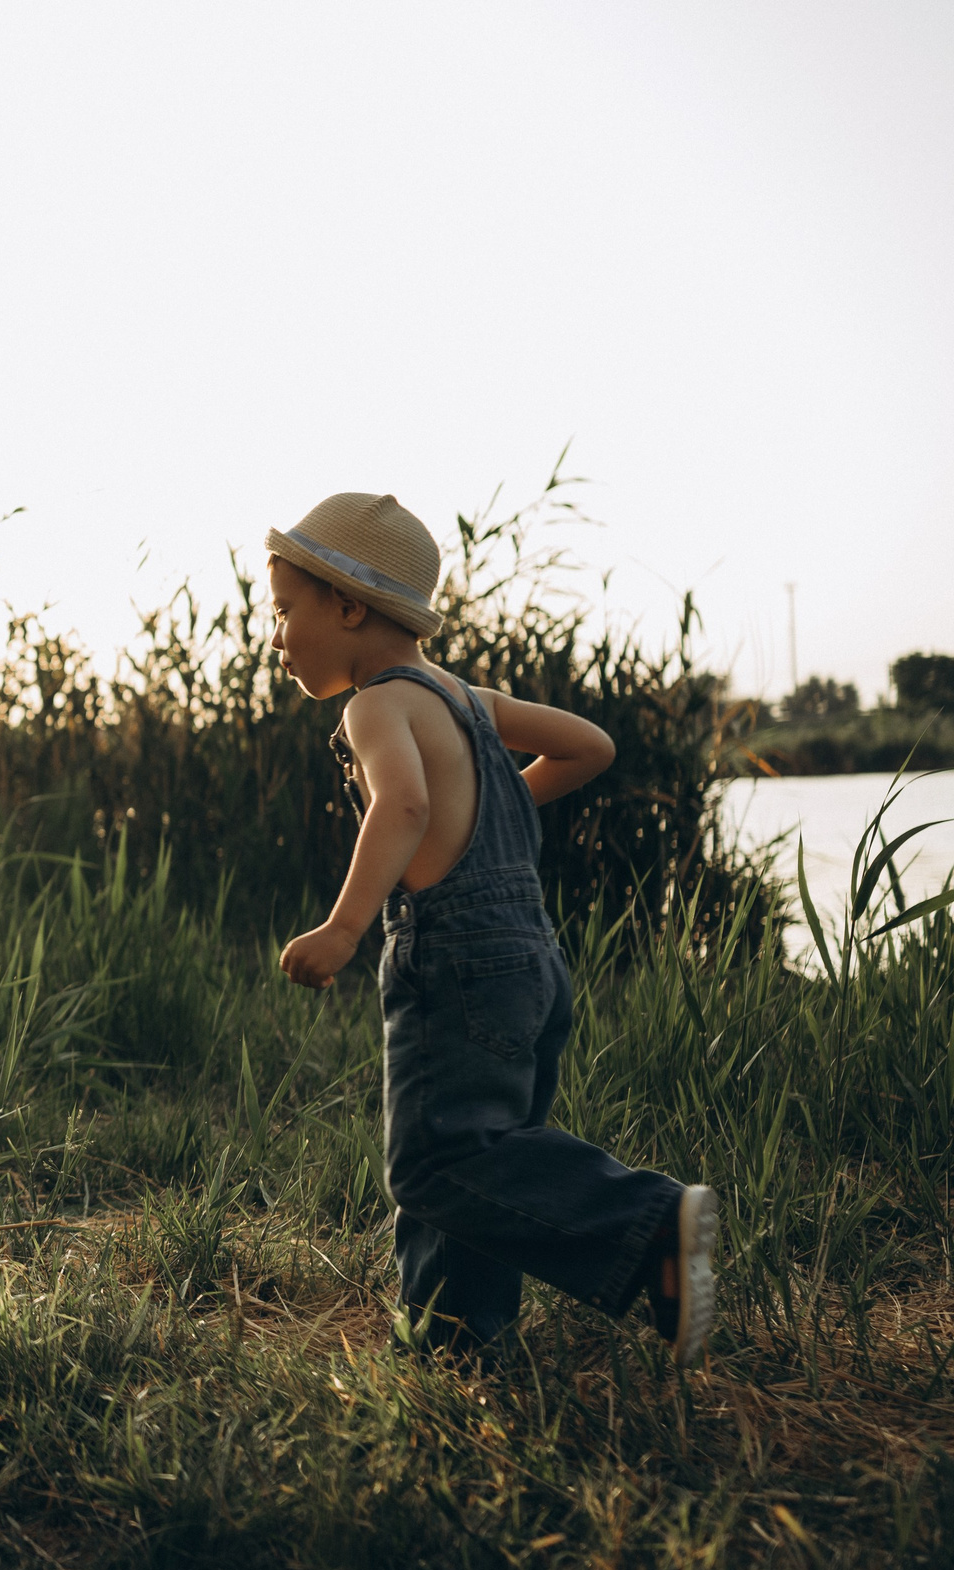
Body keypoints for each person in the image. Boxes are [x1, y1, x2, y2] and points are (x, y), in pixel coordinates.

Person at [267, 492, 718, 1367]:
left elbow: (402, 804)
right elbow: (591, 746)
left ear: (348, 607)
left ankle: (650, 1221)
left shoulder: (373, 706)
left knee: (435, 1163)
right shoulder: (465, 698)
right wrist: (489, 805)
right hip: (531, 956)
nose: (275, 636)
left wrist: (344, 927)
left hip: (456, 962)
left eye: (285, 610)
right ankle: (456, 1336)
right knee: (481, 1152)